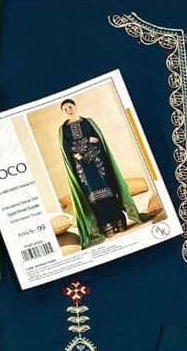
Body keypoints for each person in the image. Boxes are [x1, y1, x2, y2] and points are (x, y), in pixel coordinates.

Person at [58, 98, 141, 246]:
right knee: (93, 196)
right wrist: (86, 141)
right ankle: (106, 225)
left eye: (70, 107)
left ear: (75, 107)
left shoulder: (89, 122)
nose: (68, 110)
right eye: (65, 109)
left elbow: (98, 140)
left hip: (98, 161)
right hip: (81, 166)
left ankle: (119, 221)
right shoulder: (63, 129)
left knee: (109, 190)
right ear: (63, 112)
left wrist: (83, 148)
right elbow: (67, 147)